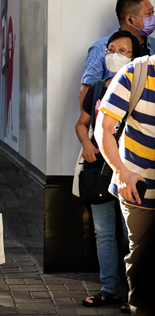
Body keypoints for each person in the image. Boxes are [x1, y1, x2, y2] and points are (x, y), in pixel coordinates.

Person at [75, 31, 139, 312]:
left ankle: (135, 293)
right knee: (104, 231)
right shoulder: (99, 89)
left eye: (122, 50)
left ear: (134, 57)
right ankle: (110, 288)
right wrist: (87, 142)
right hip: (99, 170)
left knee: (132, 232)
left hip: (131, 170)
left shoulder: (141, 89)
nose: (114, 54)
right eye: (110, 49)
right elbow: (82, 123)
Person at [95, 54, 155, 316]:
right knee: (142, 264)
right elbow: (103, 128)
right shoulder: (135, 73)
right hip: (140, 188)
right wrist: (121, 171)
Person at [80, 0, 155, 110]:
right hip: (113, 122)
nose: (153, 18)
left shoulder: (153, 46)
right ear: (130, 19)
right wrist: (93, 126)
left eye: (153, 13)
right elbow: (86, 93)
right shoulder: (100, 49)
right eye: (149, 14)